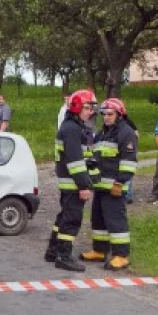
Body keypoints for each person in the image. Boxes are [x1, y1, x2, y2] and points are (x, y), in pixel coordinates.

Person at [79, 98, 138, 270]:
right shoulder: (102, 133)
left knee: (116, 221)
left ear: (120, 115)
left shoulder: (126, 133)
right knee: (98, 220)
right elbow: (95, 157)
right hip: (100, 187)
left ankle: (121, 255)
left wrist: (120, 183)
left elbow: (129, 162)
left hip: (115, 187)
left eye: (110, 114)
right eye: (104, 114)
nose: (106, 117)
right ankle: (100, 251)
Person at [45, 89, 99, 272]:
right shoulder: (72, 130)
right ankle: (64, 256)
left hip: (70, 182)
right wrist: (84, 186)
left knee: (64, 216)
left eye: (92, 108)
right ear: (76, 107)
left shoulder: (73, 127)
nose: (90, 112)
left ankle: (53, 251)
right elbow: (76, 162)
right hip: (73, 183)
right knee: (72, 219)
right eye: (87, 108)